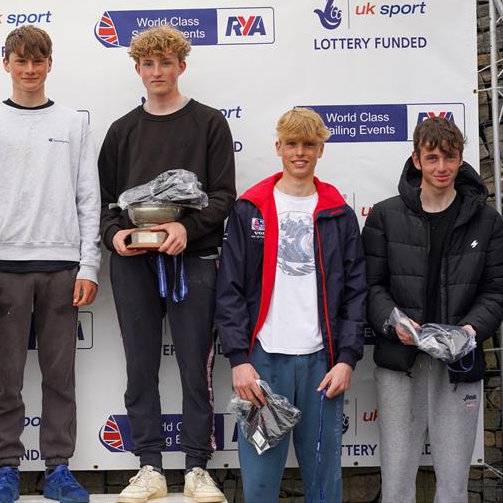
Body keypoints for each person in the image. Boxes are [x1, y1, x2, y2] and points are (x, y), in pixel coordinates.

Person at [0, 25, 100, 503]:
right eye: (20, 61)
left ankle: (59, 468)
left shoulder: (73, 123)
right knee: (8, 380)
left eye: (37, 61)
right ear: (6, 64)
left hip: (62, 267)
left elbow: (88, 198)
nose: (29, 70)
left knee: (61, 376)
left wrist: (88, 267)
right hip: (4, 269)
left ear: (49, 64)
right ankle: (6, 468)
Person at [97, 25, 235, 503]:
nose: (157, 72)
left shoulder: (210, 123)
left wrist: (186, 229)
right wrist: (115, 236)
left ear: (182, 65)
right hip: (134, 265)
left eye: (166, 63)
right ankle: (149, 466)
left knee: (197, 368)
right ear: (137, 69)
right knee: (140, 366)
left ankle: (197, 466)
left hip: (192, 260)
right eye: (149, 64)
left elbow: (222, 197)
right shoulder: (121, 131)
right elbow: (105, 204)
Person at [215, 108, 366, 503]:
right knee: (261, 483)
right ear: (278, 147)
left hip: (322, 364)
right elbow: (228, 288)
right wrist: (238, 359)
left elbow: (354, 292)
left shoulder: (339, 213)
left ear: (321, 150)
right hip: (263, 362)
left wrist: (346, 359)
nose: (300, 153)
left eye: (309, 145)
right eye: (292, 144)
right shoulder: (250, 208)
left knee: (324, 481)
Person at [362, 116, 503, 503]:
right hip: (400, 364)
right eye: (433, 157)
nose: (442, 167)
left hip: (458, 366)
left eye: (451, 157)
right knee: (396, 483)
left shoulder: (487, 221)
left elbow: (496, 290)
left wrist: (469, 331)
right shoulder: (385, 215)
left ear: (461, 159)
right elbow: (369, 286)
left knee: (455, 485)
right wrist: (393, 322)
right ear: (417, 160)